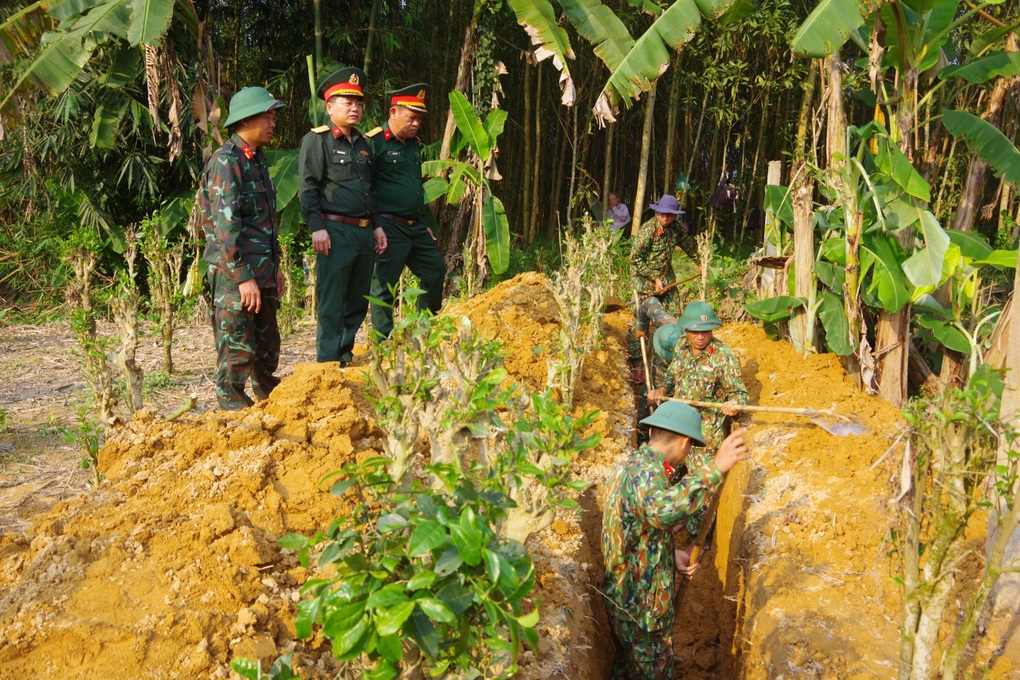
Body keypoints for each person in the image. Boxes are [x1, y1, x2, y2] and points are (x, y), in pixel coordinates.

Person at [602, 401, 750, 679]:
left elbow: (639, 528)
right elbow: (662, 512)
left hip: (625, 598)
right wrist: (714, 469)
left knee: (629, 663)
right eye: (691, 448)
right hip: (641, 607)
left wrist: (671, 556)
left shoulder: (631, 465)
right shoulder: (646, 473)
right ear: (684, 442)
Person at [197, 86, 286, 410]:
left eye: (274, 116)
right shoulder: (227, 161)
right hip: (236, 277)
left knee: (267, 349)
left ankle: (270, 404)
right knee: (238, 351)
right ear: (247, 119)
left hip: (261, 274)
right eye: (268, 116)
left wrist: (273, 271)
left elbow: (263, 224)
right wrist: (243, 278)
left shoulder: (257, 160)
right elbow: (226, 228)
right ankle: (233, 414)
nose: (273, 123)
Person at [299, 67, 387, 366]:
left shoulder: (364, 143)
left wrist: (376, 227)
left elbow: (369, 190)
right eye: (347, 102)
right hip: (334, 232)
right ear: (329, 106)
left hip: (363, 233)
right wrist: (316, 228)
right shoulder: (318, 141)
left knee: (357, 299)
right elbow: (308, 189)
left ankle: (345, 353)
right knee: (332, 300)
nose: (354, 107)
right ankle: (326, 361)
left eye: (358, 103)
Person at [648, 301, 749, 534]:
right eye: (695, 331)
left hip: (705, 435)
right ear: (686, 330)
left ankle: (696, 535)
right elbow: (671, 380)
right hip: (677, 428)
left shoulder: (723, 357)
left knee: (703, 482)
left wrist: (734, 405)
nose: (700, 337)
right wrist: (662, 391)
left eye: (705, 332)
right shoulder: (682, 347)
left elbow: (740, 394)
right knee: (668, 473)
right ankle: (673, 517)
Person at [367, 83, 446, 339]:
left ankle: (424, 331)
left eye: (419, 119)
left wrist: (427, 225)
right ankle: (384, 341)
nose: (416, 124)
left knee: (435, 270)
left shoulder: (414, 146)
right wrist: (375, 224)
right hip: (388, 226)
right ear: (393, 112)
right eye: (411, 117)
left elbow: (415, 190)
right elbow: (365, 188)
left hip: (417, 225)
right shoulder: (374, 142)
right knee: (384, 287)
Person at [629, 193, 698, 316]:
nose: (665, 218)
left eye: (670, 215)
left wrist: (700, 262)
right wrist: (655, 279)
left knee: (675, 314)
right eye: (662, 214)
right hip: (644, 278)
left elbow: (689, 245)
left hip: (666, 277)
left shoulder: (676, 228)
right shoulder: (648, 230)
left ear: (675, 215)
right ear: (657, 212)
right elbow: (635, 259)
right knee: (643, 314)